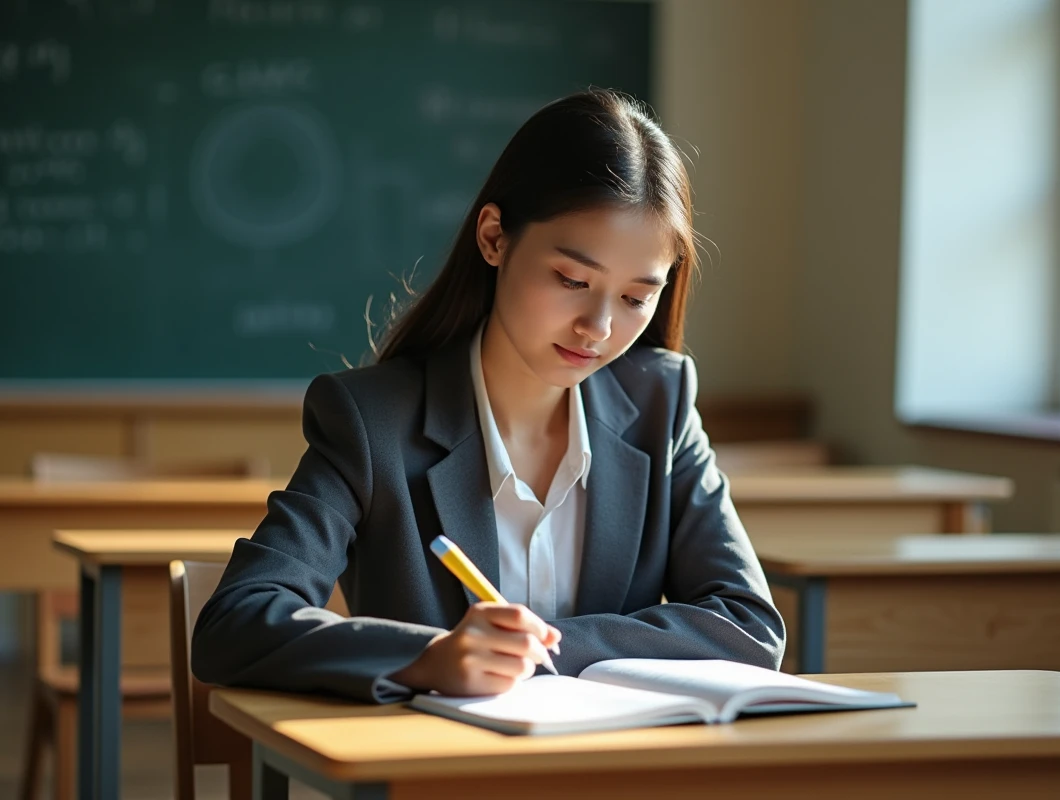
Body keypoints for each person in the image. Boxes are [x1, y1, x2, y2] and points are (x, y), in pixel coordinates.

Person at [191, 88, 785, 703]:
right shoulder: (372, 422)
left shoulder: (660, 405)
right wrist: (428, 656)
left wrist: (542, 648)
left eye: (637, 297)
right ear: (495, 237)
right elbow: (235, 622)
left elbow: (748, 626)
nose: (599, 328)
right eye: (572, 279)